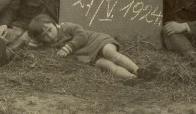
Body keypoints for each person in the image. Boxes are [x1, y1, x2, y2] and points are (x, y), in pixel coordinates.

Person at [28, 14, 158, 85]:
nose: (49, 35)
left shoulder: (66, 27)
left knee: (111, 54)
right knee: (108, 65)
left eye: (49, 30)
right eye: (44, 35)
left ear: (54, 23)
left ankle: (139, 70)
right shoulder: (49, 45)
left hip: (97, 41)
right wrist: (34, 45)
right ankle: (132, 78)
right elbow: (41, 51)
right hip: (88, 56)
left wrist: (68, 47)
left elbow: (82, 35)